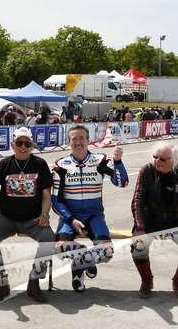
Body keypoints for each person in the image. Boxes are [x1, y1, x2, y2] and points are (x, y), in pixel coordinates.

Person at [0, 127, 55, 303]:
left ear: (32, 146)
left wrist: (45, 213)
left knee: (48, 238)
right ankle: (2, 282)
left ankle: (34, 281)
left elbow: (46, 194)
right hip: (7, 218)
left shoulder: (40, 164)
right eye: (19, 143)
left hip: (33, 219)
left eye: (27, 144)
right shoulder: (4, 164)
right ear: (12, 145)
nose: (23, 147)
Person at [51, 125, 129, 292]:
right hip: (70, 217)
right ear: (69, 142)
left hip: (94, 216)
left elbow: (122, 182)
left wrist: (117, 162)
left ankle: (82, 264)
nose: (78, 142)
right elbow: (56, 200)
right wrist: (71, 219)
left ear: (88, 141)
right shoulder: (60, 165)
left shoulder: (100, 160)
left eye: (82, 138)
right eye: (74, 139)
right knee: (60, 249)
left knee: (106, 252)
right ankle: (84, 261)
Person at [131, 142, 178, 299]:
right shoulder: (147, 170)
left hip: (173, 220)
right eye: (155, 157)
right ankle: (147, 281)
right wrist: (140, 227)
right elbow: (137, 200)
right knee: (138, 246)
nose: (157, 161)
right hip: (149, 219)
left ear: (173, 160)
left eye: (162, 159)